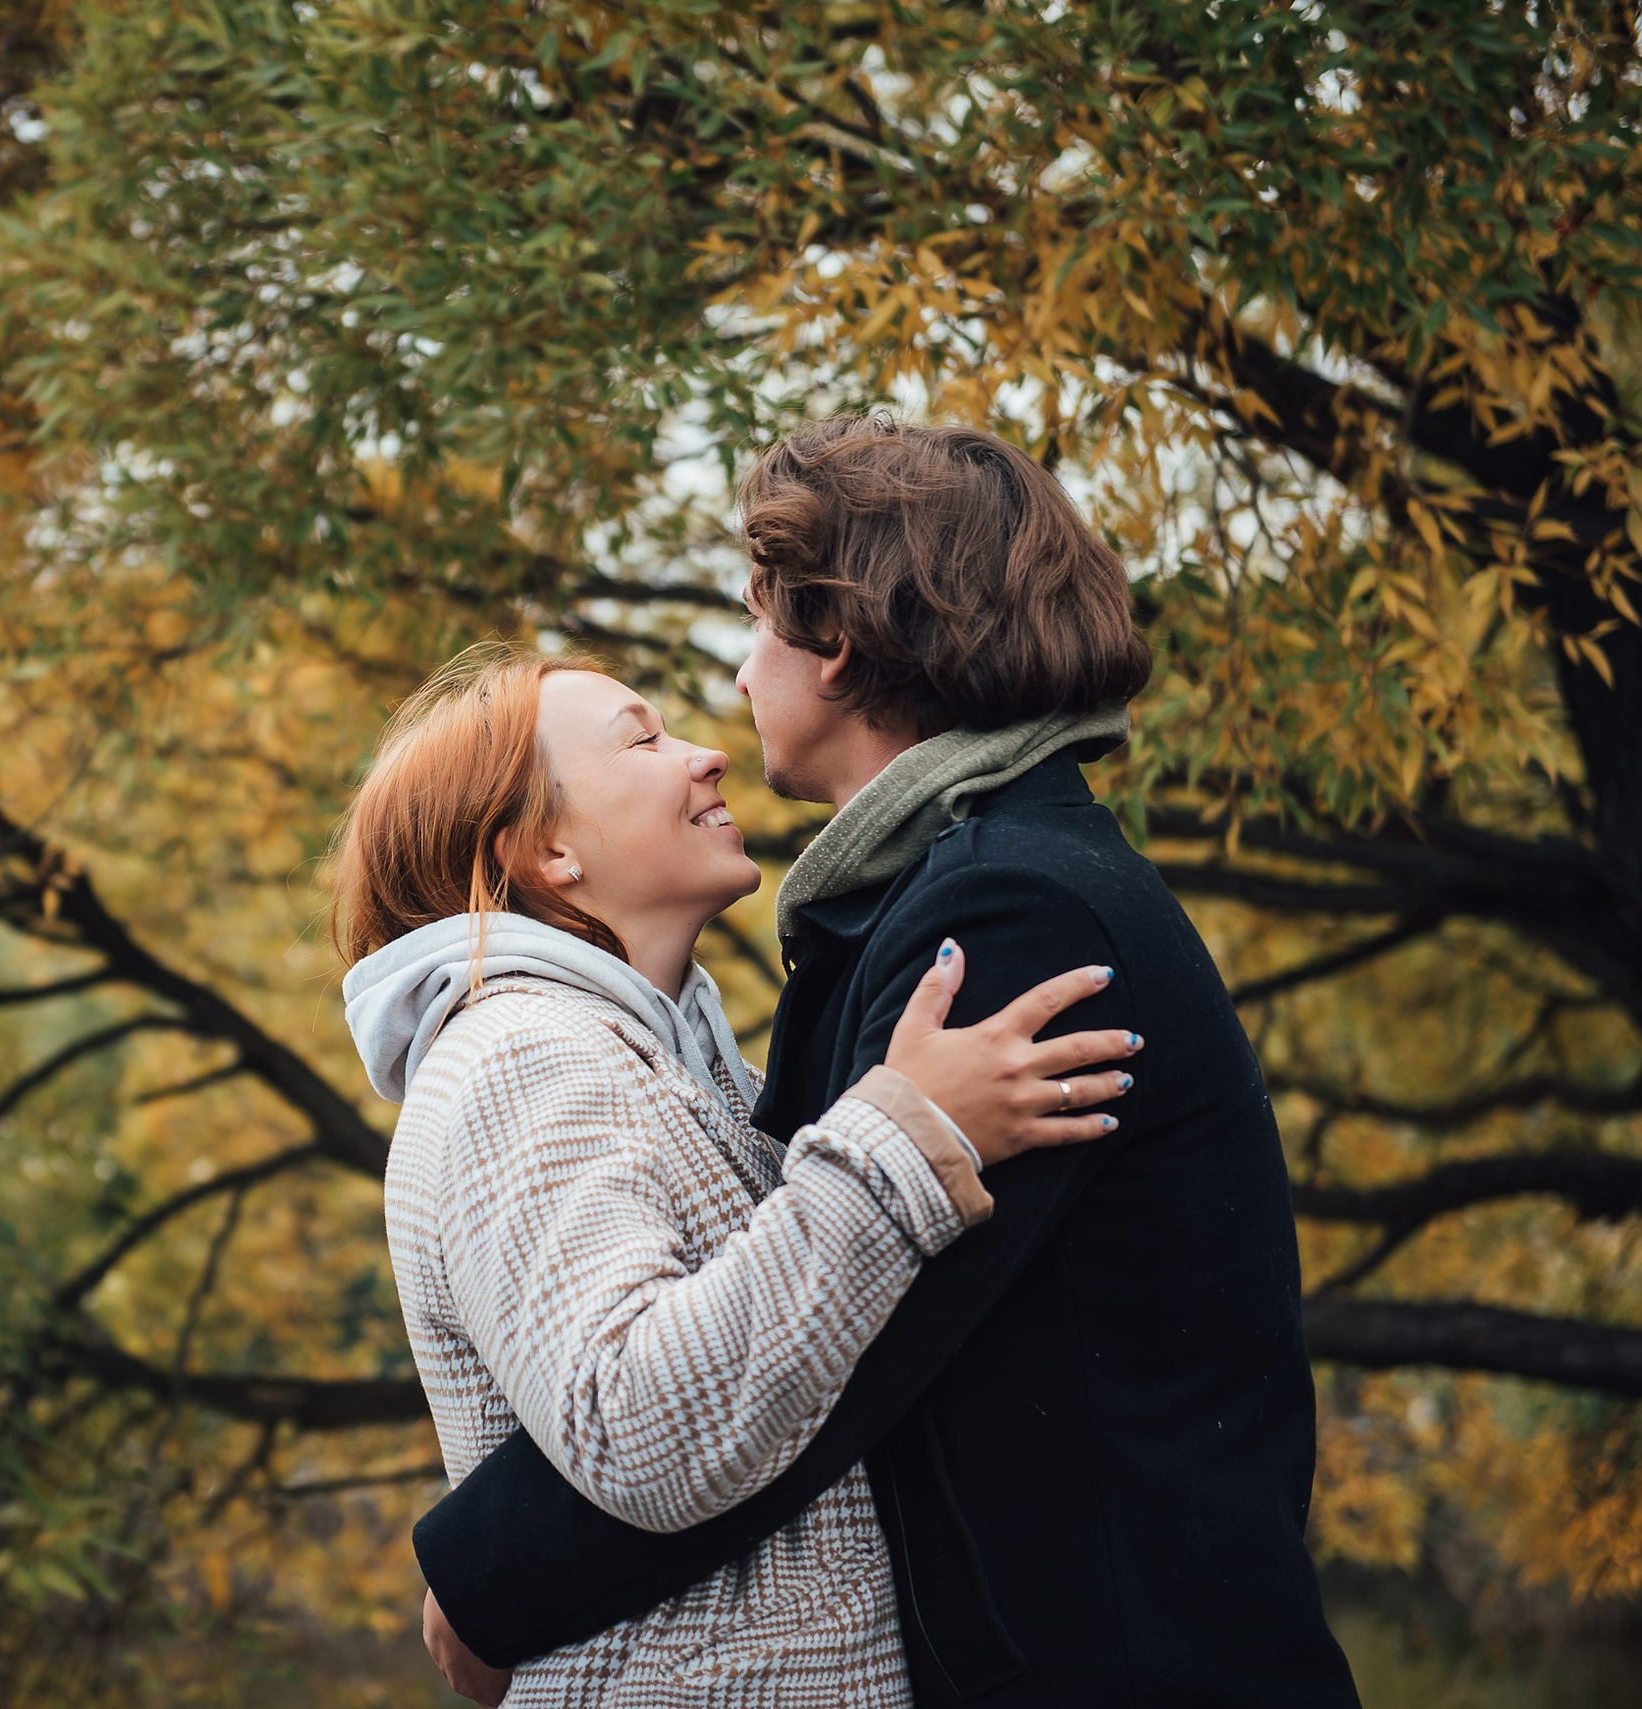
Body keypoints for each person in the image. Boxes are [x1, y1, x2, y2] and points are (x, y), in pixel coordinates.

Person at [409, 418, 1360, 1708]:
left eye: (758, 630)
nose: (736, 692)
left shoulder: (1009, 914)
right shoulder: (938, 895)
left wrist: (488, 1577)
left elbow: (842, 1360)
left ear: (838, 645)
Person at [337, 644, 1141, 1705]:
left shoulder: (664, 1067)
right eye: (643, 738)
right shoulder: (518, 1058)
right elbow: (636, 1424)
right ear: (544, 851)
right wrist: (904, 1135)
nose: (708, 754)